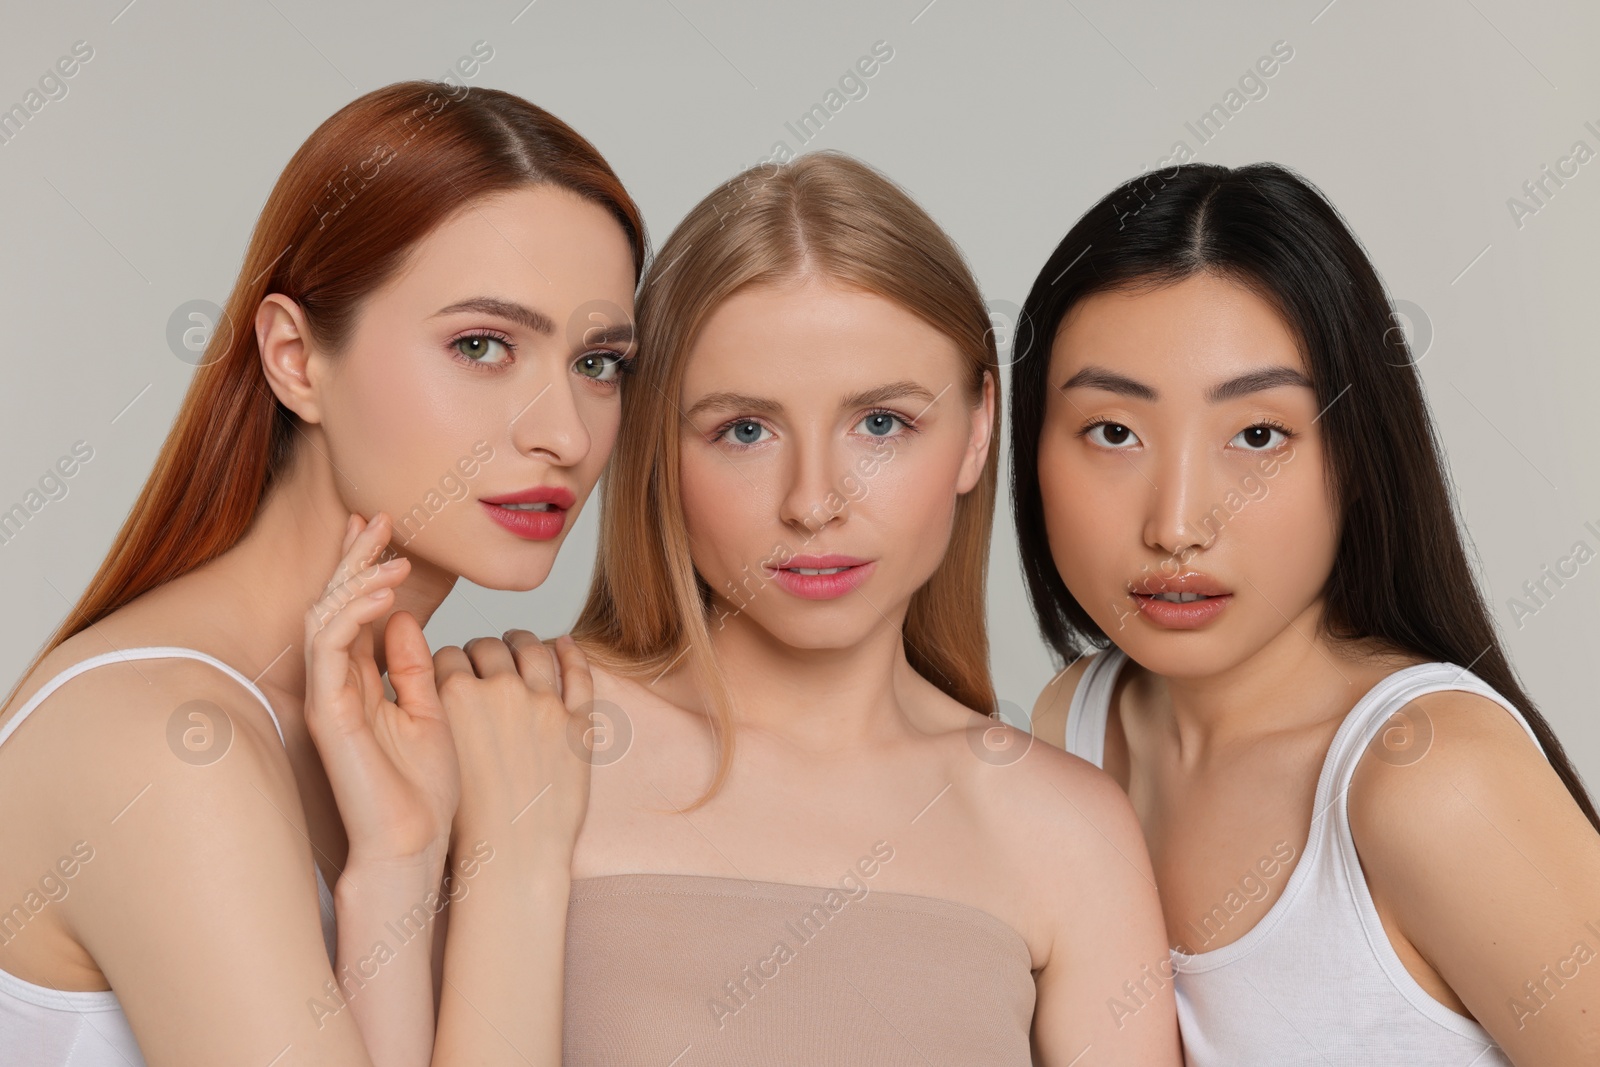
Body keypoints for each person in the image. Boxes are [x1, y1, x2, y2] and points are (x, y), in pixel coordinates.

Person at [0, 79, 642, 1066]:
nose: (562, 433)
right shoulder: (167, 739)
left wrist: (398, 866)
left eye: (600, 362)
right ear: (296, 358)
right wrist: (514, 862)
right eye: (481, 345)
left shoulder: (379, 730)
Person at [560, 151, 1182, 1066]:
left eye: (881, 423)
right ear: (657, 445)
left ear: (977, 430)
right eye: (744, 429)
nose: (813, 502)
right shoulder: (522, 734)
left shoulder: (1066, 833)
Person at [1013, 161, 1600, 1064]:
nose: (1177, 523)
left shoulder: (1430, 778)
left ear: (1356, 457)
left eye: (1257, 435)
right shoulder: (1076, 726)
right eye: (1114, 431)